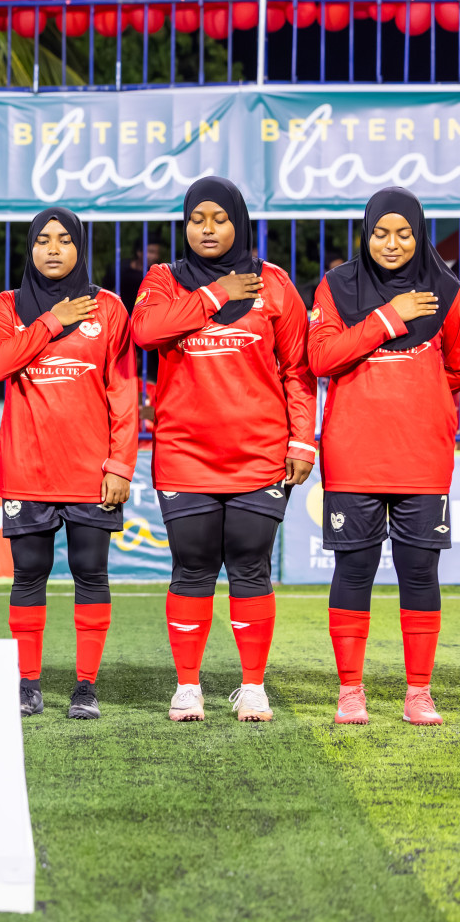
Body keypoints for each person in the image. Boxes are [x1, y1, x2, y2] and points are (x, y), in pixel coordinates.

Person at [132, 177, 317, 723]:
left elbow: (298, 370)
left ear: (238, 221)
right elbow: (145, 330)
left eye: (218, 218)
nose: (207, 229)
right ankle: (188, 686)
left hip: (259, 455)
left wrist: (302, 438)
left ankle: (253, 687)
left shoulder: (276, 284)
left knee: (250, 568)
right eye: (196, 220)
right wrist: (216, 294)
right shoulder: (164, 280)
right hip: (185, 456)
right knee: (190, 568)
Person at [309, 187, 460, 726]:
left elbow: (456, 368)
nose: (391, 243)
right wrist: (389, 318)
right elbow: (322, 357)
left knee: (420, 572)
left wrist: (430, 405)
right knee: (355, 569)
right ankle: (351, 691)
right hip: (354, 455)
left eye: (403, 233)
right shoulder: (337, 286)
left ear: (419, 235)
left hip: (422, 458)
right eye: (380, 232)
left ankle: (418, 693)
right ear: (366, 234)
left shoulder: (448, 289)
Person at [0, 208, 138, 718]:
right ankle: (28, 683)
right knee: (28, 574)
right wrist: (52, 321)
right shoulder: (8, 306)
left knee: (90, 573)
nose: (53, 249)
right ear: (30, 249)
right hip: (28, 470)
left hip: (90, 474)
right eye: (43, 240)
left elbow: (123, 391)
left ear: (79, 249)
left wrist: (121, 464)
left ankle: (86, 686)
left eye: (64, 240)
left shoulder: (110, 308)